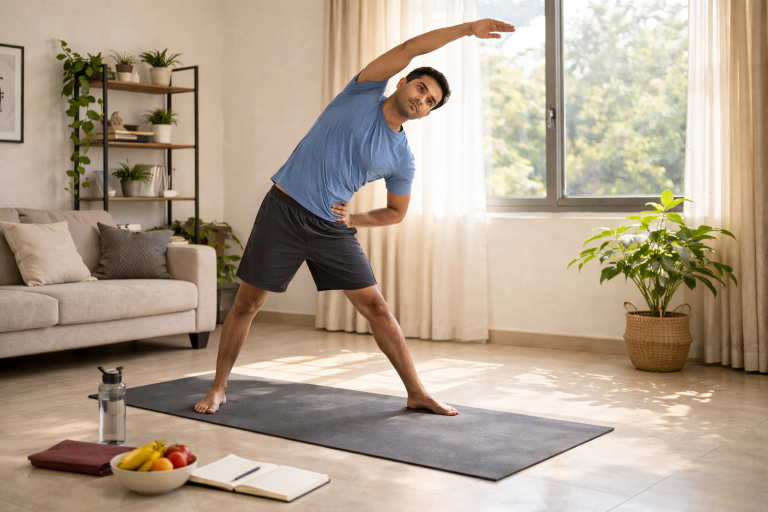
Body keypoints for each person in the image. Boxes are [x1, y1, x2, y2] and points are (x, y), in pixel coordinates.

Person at [194, 18, 515, 416]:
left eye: (431, 101)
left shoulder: (402, 158)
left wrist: (355, 220)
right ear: (402, 83)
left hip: (330, 228)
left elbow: (396, 212)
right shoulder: (361, 93)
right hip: (283, 211)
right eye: (421, 88)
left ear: (428, 113)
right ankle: (219, 387)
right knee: (247, 303)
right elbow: (409, 48)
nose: (423, 99)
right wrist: (468, 29)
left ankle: (417, 391)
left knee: (376, 307)